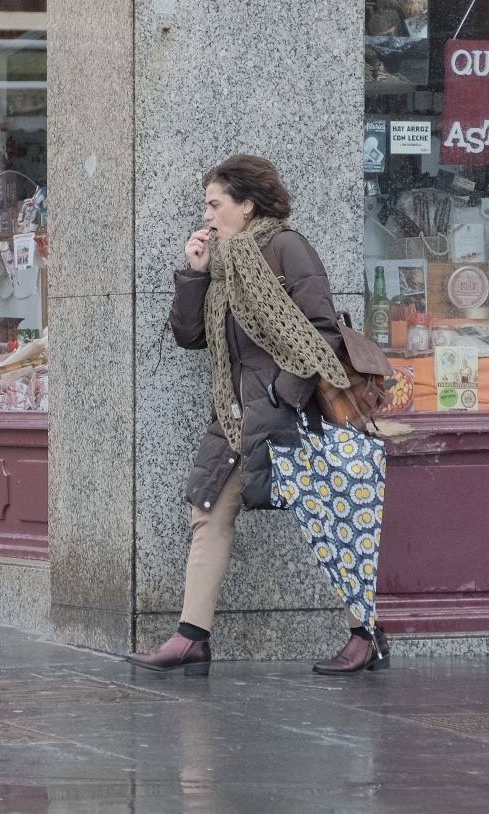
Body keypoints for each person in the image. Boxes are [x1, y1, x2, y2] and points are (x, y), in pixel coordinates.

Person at [125, 155, 389, 676]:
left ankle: (366, 634)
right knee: (209, 512)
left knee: (332, 519)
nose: (206, 215)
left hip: (288, 414)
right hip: (234, 412)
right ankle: (191, 636)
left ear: (246, 205)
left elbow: (322, 335)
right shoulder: (221, 262)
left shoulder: (286, 247)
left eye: (214, 203)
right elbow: (191, 336)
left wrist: (279, 393)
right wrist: (193, 274)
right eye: (207, 204)